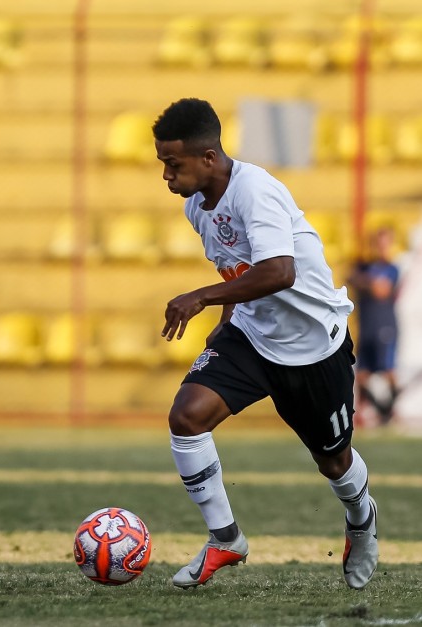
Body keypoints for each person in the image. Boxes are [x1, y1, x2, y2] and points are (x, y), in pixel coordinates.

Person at [152, 98, 378, 590]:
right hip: (252, 336)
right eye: (162, 165)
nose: (167, 176)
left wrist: (202, 298)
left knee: (333, 462)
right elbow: (239, 265)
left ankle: (361, 518)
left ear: (208, 157)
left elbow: (279, 271)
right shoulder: (197, 206)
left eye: (174, 164)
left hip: (314, 345)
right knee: (187, 417)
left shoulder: (255, 191)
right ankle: (225, 538)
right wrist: (227, 318)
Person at [349, 226, 400, 425]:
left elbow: (381, 290)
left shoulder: (392, 268)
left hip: (385, 326)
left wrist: (363, 281)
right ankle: (371, 413)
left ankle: (389, 411)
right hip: (367, 326)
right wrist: (368, 282)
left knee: (388, 371)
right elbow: (350, 278)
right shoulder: (364, 266)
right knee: (362, 375)